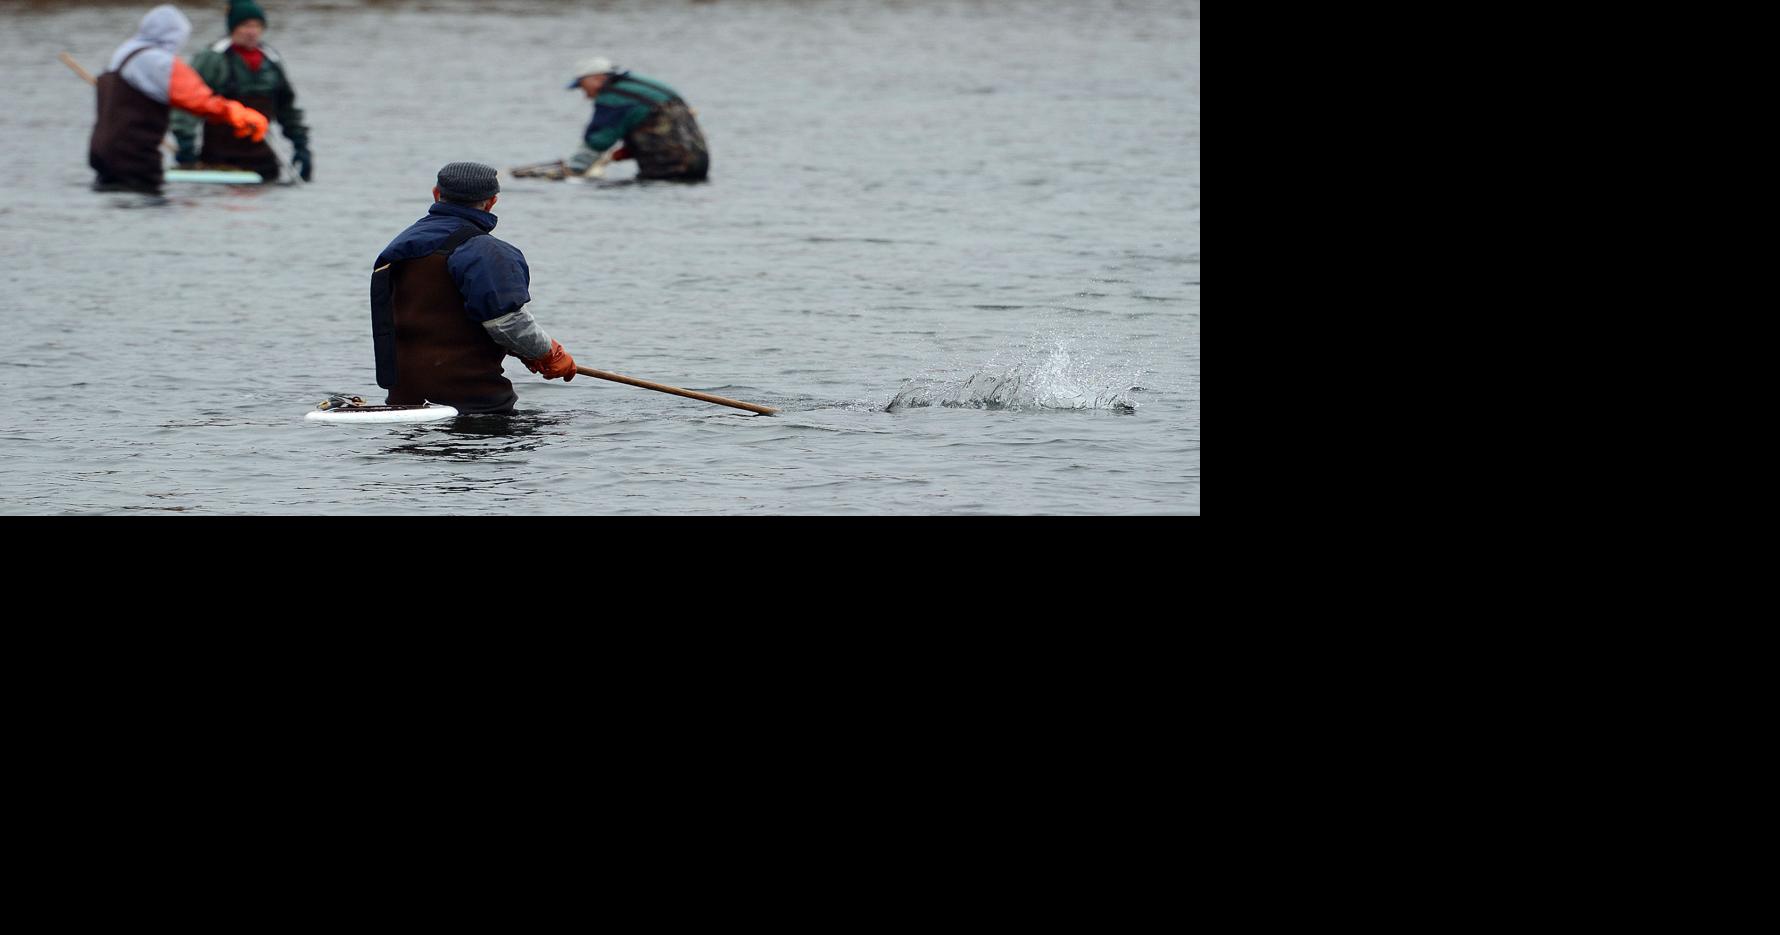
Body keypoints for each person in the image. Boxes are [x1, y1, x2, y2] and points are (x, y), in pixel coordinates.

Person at [369, 162, 578, 415]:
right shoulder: (487, 251)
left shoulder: (400, 245)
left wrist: (527, 352)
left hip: (404, 400)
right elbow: (507, 323)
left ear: (436, 194)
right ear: (491, 202)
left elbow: (445, 316)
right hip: (473, 403)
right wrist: (549, 353)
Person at [89, 4, 268, 194]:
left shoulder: (124, 53)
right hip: (135, 161)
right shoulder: (159, 63)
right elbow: (198, 100)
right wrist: (236, 113)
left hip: (102, 155)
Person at [170, 1, 312, 182]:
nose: (252, 31)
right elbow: (188, 103)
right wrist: (186, 147)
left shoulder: (272, 60)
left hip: (263, 162)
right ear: (233, 28)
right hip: (219, 162)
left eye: (257, 26)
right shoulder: (212, 58)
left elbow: (287, 108)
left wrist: (301, 145)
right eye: (245, 25)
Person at [542, 56, 708, 182]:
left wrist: (572, 170)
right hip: (698, 166)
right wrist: (619, 154)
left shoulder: (614, 97)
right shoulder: (645, 86)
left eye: (582, 86)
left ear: (596, 79)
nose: (585, 95)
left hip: (668, 171)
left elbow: (598, 141)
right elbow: (657, 128)